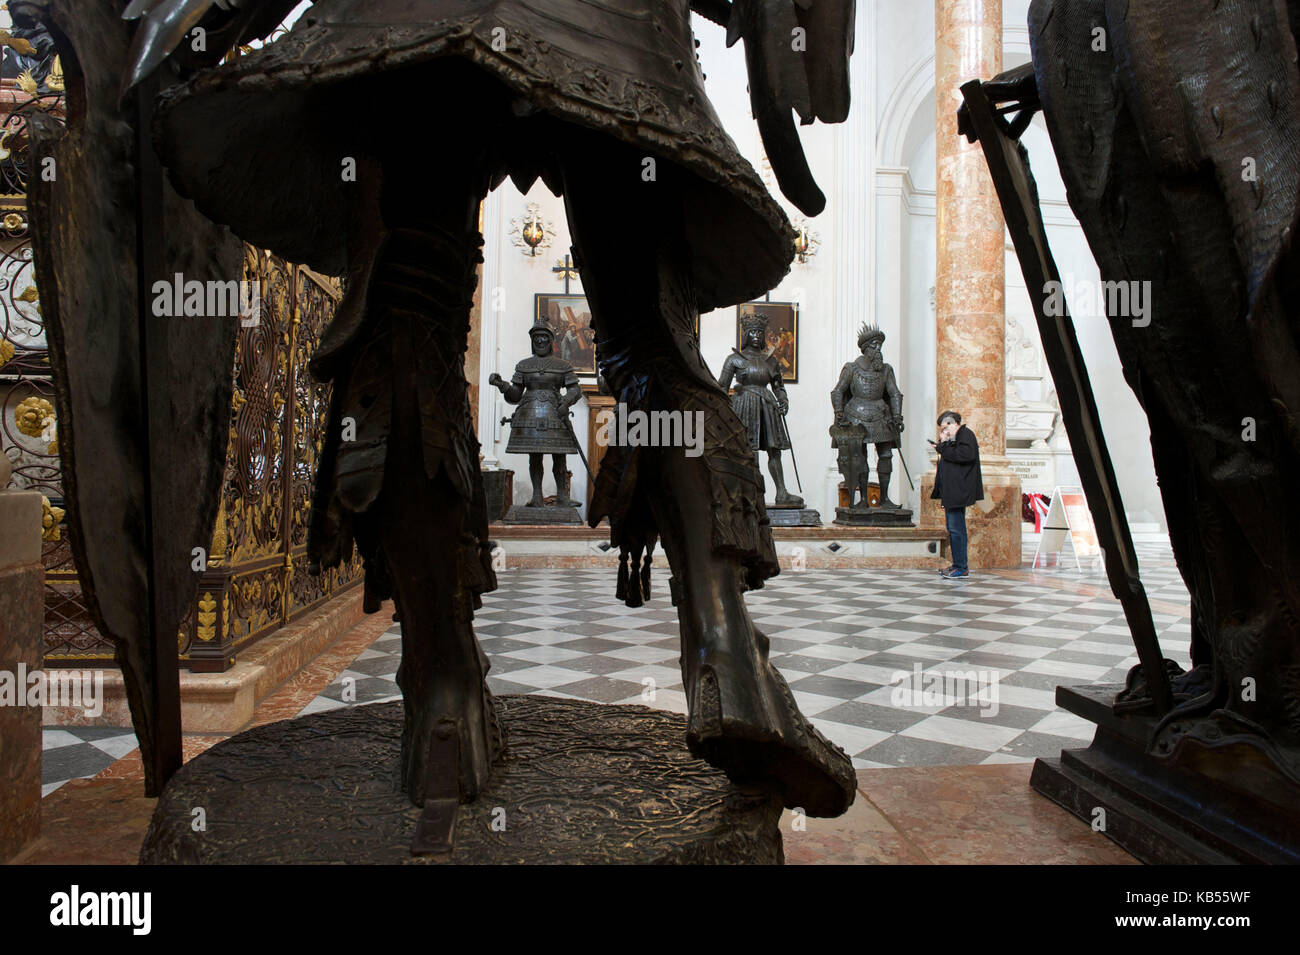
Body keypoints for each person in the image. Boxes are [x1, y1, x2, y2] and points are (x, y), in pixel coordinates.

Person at [929, 410, 983, 578]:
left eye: (945, 427)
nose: (943, 432)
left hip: (959, 491)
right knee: (954, 529)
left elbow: (965, 455)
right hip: (952, 490)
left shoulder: (966, 435)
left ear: (954, 423)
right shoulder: (955, 439)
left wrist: (942, 446)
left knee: (956, 529)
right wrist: (943, 444)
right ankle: (957, 564)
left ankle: (961, 567)